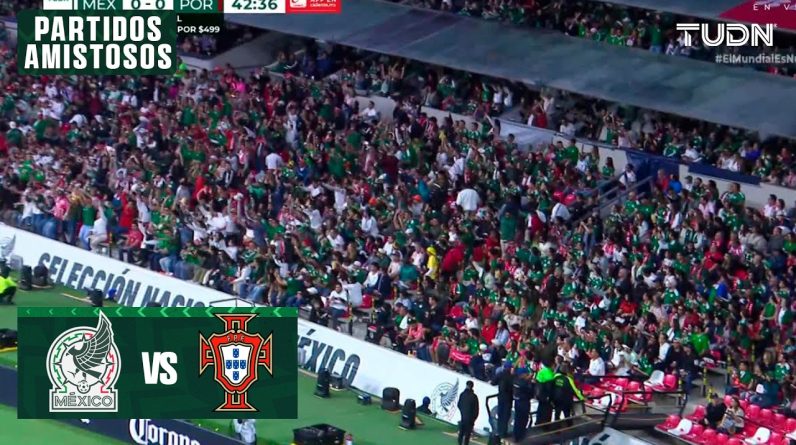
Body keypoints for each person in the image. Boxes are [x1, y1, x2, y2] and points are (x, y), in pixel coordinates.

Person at [493, 363, 514, 438]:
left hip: (501, 396)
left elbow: (493, 382)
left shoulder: (500, 374)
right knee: (506, 416)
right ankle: (503, 433)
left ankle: (498, 431)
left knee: (500, 414)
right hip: (508, 398)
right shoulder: (512, 377)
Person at [456, 380, 479, 445]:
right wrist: (474, 418)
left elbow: (459, 405)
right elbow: (476, 409)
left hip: (463, 417)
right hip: (470, 419)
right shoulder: (474, 396)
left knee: (461, 433)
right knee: (467, 435)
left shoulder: (462, 394)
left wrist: (463, 412)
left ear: (466, 385)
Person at [534, 361, 556, 427]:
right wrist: (551, 397)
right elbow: (549, 388)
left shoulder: (541, 371)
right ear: (552, 366)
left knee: (540, 408)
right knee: (547, 411)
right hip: (546, 396)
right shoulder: (550, 374)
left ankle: (538, 422)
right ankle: (546, 425)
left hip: (539, 394)